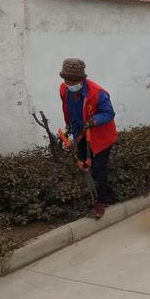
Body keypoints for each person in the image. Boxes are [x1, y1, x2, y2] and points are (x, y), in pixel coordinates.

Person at [59, 58, 117, 218]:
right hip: (81, 133)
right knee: (84, 163)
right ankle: (91, 193)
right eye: (66, 81)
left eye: (73, 81)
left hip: (101, 135)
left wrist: (94, 121)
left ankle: (101, 202)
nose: (69, 84)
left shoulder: (98, 93)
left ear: (81, 80)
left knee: (99, 167)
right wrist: (70, 127)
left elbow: (109, 113)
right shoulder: (64, 90)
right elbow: (67, 109)